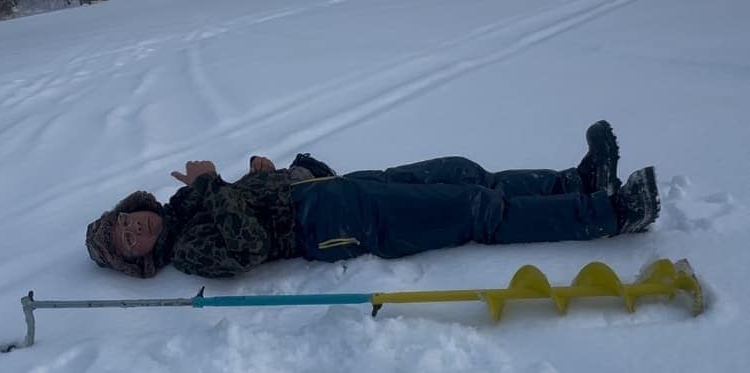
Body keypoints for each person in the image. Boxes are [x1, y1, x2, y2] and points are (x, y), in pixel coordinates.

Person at [86, 121, 660, 279]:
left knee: (463, 172)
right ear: (138, 260)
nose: (133, 231)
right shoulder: (187, 251)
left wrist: (280, 170)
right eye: (126, 243)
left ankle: (577, 182)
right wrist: (213, 184)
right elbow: (251, 245)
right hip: (333, 225)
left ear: (134, 206)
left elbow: (257, 201)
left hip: (334, 188)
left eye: (124, 222)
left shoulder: (184, 206)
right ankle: (611, 214)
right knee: (472, 209)